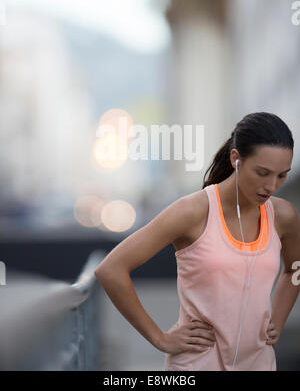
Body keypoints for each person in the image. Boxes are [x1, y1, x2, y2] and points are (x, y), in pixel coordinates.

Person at [94, 112, 300, 371]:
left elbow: (295, 269)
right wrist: (160, 338)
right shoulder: (192, 211)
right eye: (263, 173)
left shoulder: (283, 215)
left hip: (260, 364)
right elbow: (111, 269)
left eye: (282, 175)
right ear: (236, 159)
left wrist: (278, 318)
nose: (271, 186)